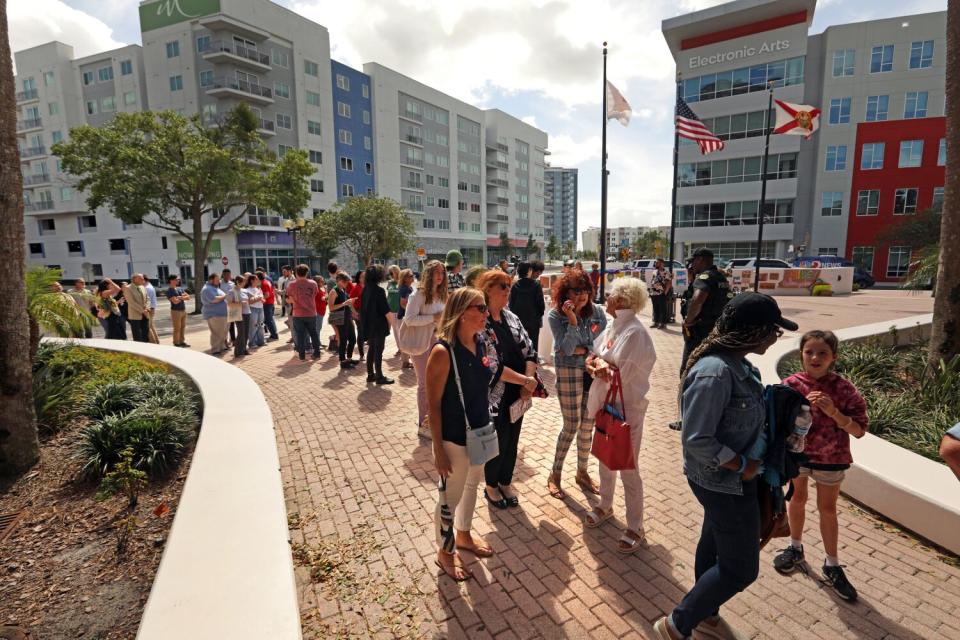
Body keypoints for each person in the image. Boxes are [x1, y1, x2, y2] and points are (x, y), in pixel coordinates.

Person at [653, 293, 797, 640]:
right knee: (740, 569)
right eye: (773, 331)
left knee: (714, 542)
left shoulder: (740, 365)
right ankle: (677, 623)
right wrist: (743, 464)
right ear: (753, 333)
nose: (775, 338)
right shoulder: (715, 373)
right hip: (724, 480)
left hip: (732, 479)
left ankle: (706, 614)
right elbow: (697, 439)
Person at [773, 330, 868, 601]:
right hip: (799, 457)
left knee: (827, 509)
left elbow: (860, 430)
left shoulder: (843, 388)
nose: (815, 357)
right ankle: (795, 547)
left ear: (833, 357)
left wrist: (834, 412)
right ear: (801, 354)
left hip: (831, 458)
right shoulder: (790, 385)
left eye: (823, 353)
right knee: (797, 499)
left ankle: (832, 563)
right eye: (809, 352)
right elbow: (776, 422)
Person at [582, 278, 657, 553]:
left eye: (612, 295)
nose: (607, 298)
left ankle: (635, 525)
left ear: (623, 301)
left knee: (627, 466)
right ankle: (605, 505)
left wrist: (597, 365)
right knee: (604, 456)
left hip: (627, 410)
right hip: (607, 404)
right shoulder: (615, 325)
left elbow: (618, 376)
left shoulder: (635, 333)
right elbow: (593, 356)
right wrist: (596, 364)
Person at [426, 287, 495, 581]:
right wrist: (438, 450)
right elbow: (433, 406)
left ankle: (464, 535)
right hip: (454, 438)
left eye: (485, 307)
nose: (486, 313)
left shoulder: (480, 343)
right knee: (448, 498)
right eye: (480, 308)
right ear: (463, 311)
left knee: (472, 486)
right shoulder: (443, 353)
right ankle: (445, 551)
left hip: (479, 432)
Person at [477, 270, 539, 510]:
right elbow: (491, 365)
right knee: (496, 440)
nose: (507, 290)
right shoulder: (480, 321)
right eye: (503, 286)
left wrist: (529, 381)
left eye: (509, 286)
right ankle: (491, 485)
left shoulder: (512, 317)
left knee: (513, 439)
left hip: (519, 392)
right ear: (488, 288)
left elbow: (530, 350)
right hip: (494, 395)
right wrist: (525, 381)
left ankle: (505, 481)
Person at [547, 269, 607, 499]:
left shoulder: (598, 312)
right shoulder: (556, 316)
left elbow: (596, 345)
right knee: (572, 425)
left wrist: (583, 349)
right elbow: (568, 349)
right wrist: (572, 321)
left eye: (585, 290)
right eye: (576, 290)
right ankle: (555, 474)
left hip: (590, 372)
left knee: (587, 426)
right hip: (568, 372)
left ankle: (582, 472)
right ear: (566, 292)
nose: (582, 295)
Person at [670, 248, 731, 431]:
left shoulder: (704, 278)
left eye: (694, 261)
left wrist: (688, 322)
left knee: (688, 373)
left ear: (702, 260)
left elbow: (698, 299)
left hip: (698, 333)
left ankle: (686, 419)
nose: (691, 264)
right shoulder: (721, 279)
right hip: (715, 333)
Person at [405, 260, 448, 427]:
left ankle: (436, 419)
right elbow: (409, 320)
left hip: (440, 341)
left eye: (442, 272)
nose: (440, 276)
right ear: (428, 274)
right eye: (436, 272)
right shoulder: (418, 294)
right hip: (421, 343)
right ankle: (424, 422)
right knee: (423, 384)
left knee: (439, 382)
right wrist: (434, 318)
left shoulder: (443, 294)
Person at [361, 264, 396, 385]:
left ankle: (371, 375)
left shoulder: (365, 289)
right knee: (378, 351)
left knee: (371, 349)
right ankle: (379, 376)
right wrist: (396, 326)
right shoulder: (379, 291)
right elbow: (386, 311)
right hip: (378, 326)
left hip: (369, 325)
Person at [285, 264, 321, 361]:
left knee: (300, 335)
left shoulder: (291, 284)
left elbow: (288, 299)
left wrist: (293, 300)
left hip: (298, 313)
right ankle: (317, 353)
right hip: (311, 312)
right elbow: (315, 294)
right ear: (307, 273)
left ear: (296, 273)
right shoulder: (313, 283)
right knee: (314, 334)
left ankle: (302, 355)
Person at [508, 260, 545, 352]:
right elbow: (540, 303)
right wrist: (539, 314)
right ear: (529, 271)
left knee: (520, 342)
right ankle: (534, 361)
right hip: (533, 319)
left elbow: (511, 304)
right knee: (534, 342)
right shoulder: (536, 285)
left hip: (519, 320)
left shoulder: (515, 285)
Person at [329, 272, 358, 368]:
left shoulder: (343, 290)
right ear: (340, 281)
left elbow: (348, 304)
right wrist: (344, 303)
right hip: (340, 318)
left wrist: (354, 312)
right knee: (343, 341)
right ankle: (343, 361)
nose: (347, 283)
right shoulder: (333, 291)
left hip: (347, 317)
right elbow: (331, 308)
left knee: (353, 339)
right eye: (345, 282)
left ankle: (348, 358)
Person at [200, 273, 229, 355]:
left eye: (219, 279)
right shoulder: (207, 289)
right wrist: (225, 296)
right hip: (215, 315)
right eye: (217, 280)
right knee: (216, 332)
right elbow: (214, 300)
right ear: (211, 280)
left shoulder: (215, 288)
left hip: (222, 314)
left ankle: (222, 346)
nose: (219, 281)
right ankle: (215, 349)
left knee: (223, 332)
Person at [122, 274, 150, 343]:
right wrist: (142, 311)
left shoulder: (142, 287)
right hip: (135, 316)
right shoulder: (128, 288)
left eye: (143, 278)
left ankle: (147, 349)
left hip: (145, 314)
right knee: (137, 336)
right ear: (134, 279)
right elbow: (131, 302)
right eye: (141, 278)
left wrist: (147, 308)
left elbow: (147, 299)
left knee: (146, 334)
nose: (143, 280)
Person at [227, 274, 251, 358]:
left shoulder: (244, 290)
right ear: (237, 282)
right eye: (243, 282)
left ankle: (244, 349)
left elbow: (250, 298)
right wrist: (240, 303)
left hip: (247, 312)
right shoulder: (231, 291)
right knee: (241, 332)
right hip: (238, 314)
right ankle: (238, 351)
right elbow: (229, 303)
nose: (244, 284)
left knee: (246, 332)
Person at [165, 274, 191, 347]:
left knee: (183, 327)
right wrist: (182, 297)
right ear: (171, 281)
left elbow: (188, 297)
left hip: (183, 310)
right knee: (177, 328)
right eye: (176, 279)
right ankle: (176, 343)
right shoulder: (169, 291)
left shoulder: (180, 288)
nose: (178, 280)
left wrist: (180, 297)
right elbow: (175, 301)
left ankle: (181, 341)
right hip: (175, 311)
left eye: (178, 279)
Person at [397, 269, 415, 369]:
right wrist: (411, 313)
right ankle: (405, 361)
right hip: (404, 317)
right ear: (405, 278)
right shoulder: (405, 289)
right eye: (410, 275)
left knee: (406, 339)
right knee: (406, 339)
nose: (413, 277)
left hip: (404, 316)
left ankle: (405, 361)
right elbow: (403, 303)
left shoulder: (408, 288)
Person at [649, 258, 673, 329]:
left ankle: (663, 323)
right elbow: (653, 280)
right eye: (656, 263)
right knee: (655, 308)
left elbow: (669, 283)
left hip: (661, 293)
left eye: (658, 263)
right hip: (653, 293)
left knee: (662, 309)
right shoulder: (654, 271)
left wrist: (665, 292)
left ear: (662, 264)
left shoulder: (666, 272)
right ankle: (656, 322)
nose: (656, 264)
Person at [244, 273, 266, 349]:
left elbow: (262, 299)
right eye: (256, 279)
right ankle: (252, 343)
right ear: (252, 281)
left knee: (261, 325)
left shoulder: (258, 289)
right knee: (253, 326)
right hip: (253, 309)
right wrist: (259, 298)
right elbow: (250, 302)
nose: (258, 280)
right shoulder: (247, 290)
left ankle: (261, 341)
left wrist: (262, 299)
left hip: (260, 308)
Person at [258, 269, 279, 341]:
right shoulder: (266, 282)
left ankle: (274, 335)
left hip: (267, 303)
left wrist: (259, 298)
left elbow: (267, 294)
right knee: (269, 319)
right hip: (269, 302)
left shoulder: (264, 283)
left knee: (268, 320)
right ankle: (274, 334)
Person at [325, 261, 340, 352]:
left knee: (337, 329)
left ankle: (339, 347)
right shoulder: (340, 279)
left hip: (334, 307)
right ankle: (339, 345)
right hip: (342, 305)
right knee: (340, 328)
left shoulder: (330, 281)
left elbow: (330, 295)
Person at [351, 270, 366, 361]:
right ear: (359, 278)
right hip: (358, 312)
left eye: (365, 276)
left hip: (367, 312)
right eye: (362, 276)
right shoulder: (356, 288)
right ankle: (361, 354)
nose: (364, 278)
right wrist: (354, 313)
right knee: (360, 332)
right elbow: (350, 302)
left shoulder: (368, 286)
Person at [313, 275, 328, 352]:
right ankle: (317, 344)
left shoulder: (320, 289)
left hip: (321, 311)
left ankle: (318, 342)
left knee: (318, 328)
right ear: (317, 282)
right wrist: (328, 295)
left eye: (323, 281)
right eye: (321, 281)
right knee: (317, 328)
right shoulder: (317, 290)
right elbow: (324, 298)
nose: (323, 282)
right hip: (318, 311)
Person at [221, 269, 235, 348]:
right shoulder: (219, 284)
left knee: (232, 325)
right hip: (222, 307)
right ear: (223, 275)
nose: (227, 277)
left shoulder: (232, 284)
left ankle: (233, 340)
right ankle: (224, 341)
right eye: (225, 275)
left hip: (231, 306)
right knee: (224, 325)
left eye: (228, 275)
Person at [143, 276, 160, 343]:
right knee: (151, 326)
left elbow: (147, 300)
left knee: (148, 327)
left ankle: (153, 342)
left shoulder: (146, 288)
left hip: (149, 309)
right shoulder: (150, 286)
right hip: (152, 308)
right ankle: (157, 341)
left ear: (144, 280)